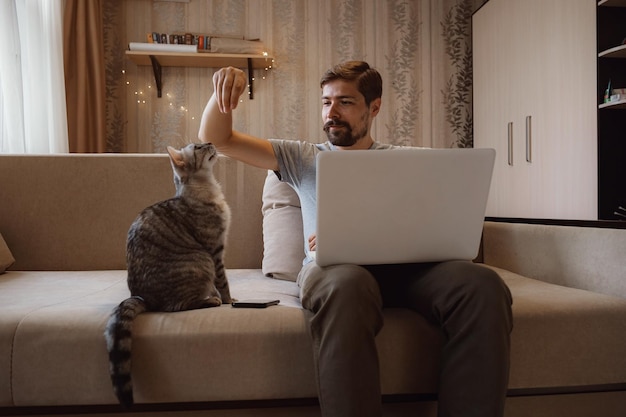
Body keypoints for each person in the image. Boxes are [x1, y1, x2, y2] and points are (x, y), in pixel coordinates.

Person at [198, 61, 513, 417]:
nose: (331, 112)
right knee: (348, 282)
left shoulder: (408, 161)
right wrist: (221, 94)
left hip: (409, 272)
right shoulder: (302, 156)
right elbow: (217, 139)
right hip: (334, 272)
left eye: (345, 102)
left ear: (373, 107)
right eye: (326, 102)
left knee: (483, 284)